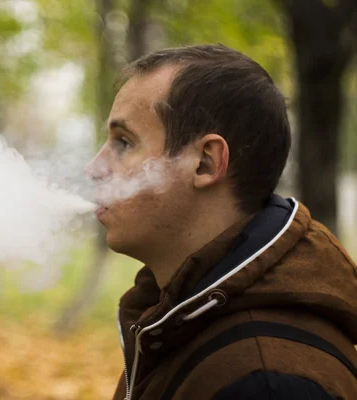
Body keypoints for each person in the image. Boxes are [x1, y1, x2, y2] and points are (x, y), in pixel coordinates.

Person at [85, 44, 357, 400]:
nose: (94, 169)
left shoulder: (265, 383)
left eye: (124, 143)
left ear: (206, 163)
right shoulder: (175, 318)